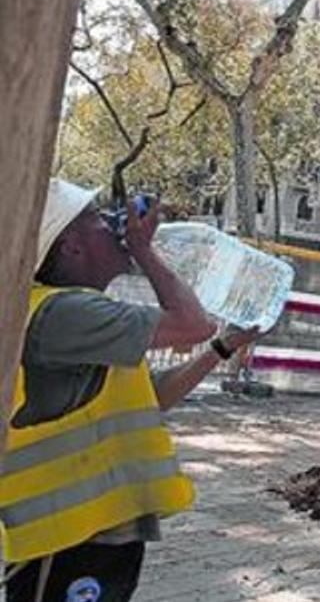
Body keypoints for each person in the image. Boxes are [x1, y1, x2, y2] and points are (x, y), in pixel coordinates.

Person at [2, 179, 261, 602]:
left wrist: (220, 349)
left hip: (101, 534)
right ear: (71, 246)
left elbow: (150, 398)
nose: (114, 224)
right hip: (66, 541)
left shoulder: (82, 318)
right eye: (98, 219)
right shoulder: (62, 311)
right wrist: (145, 251)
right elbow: (192, 323)